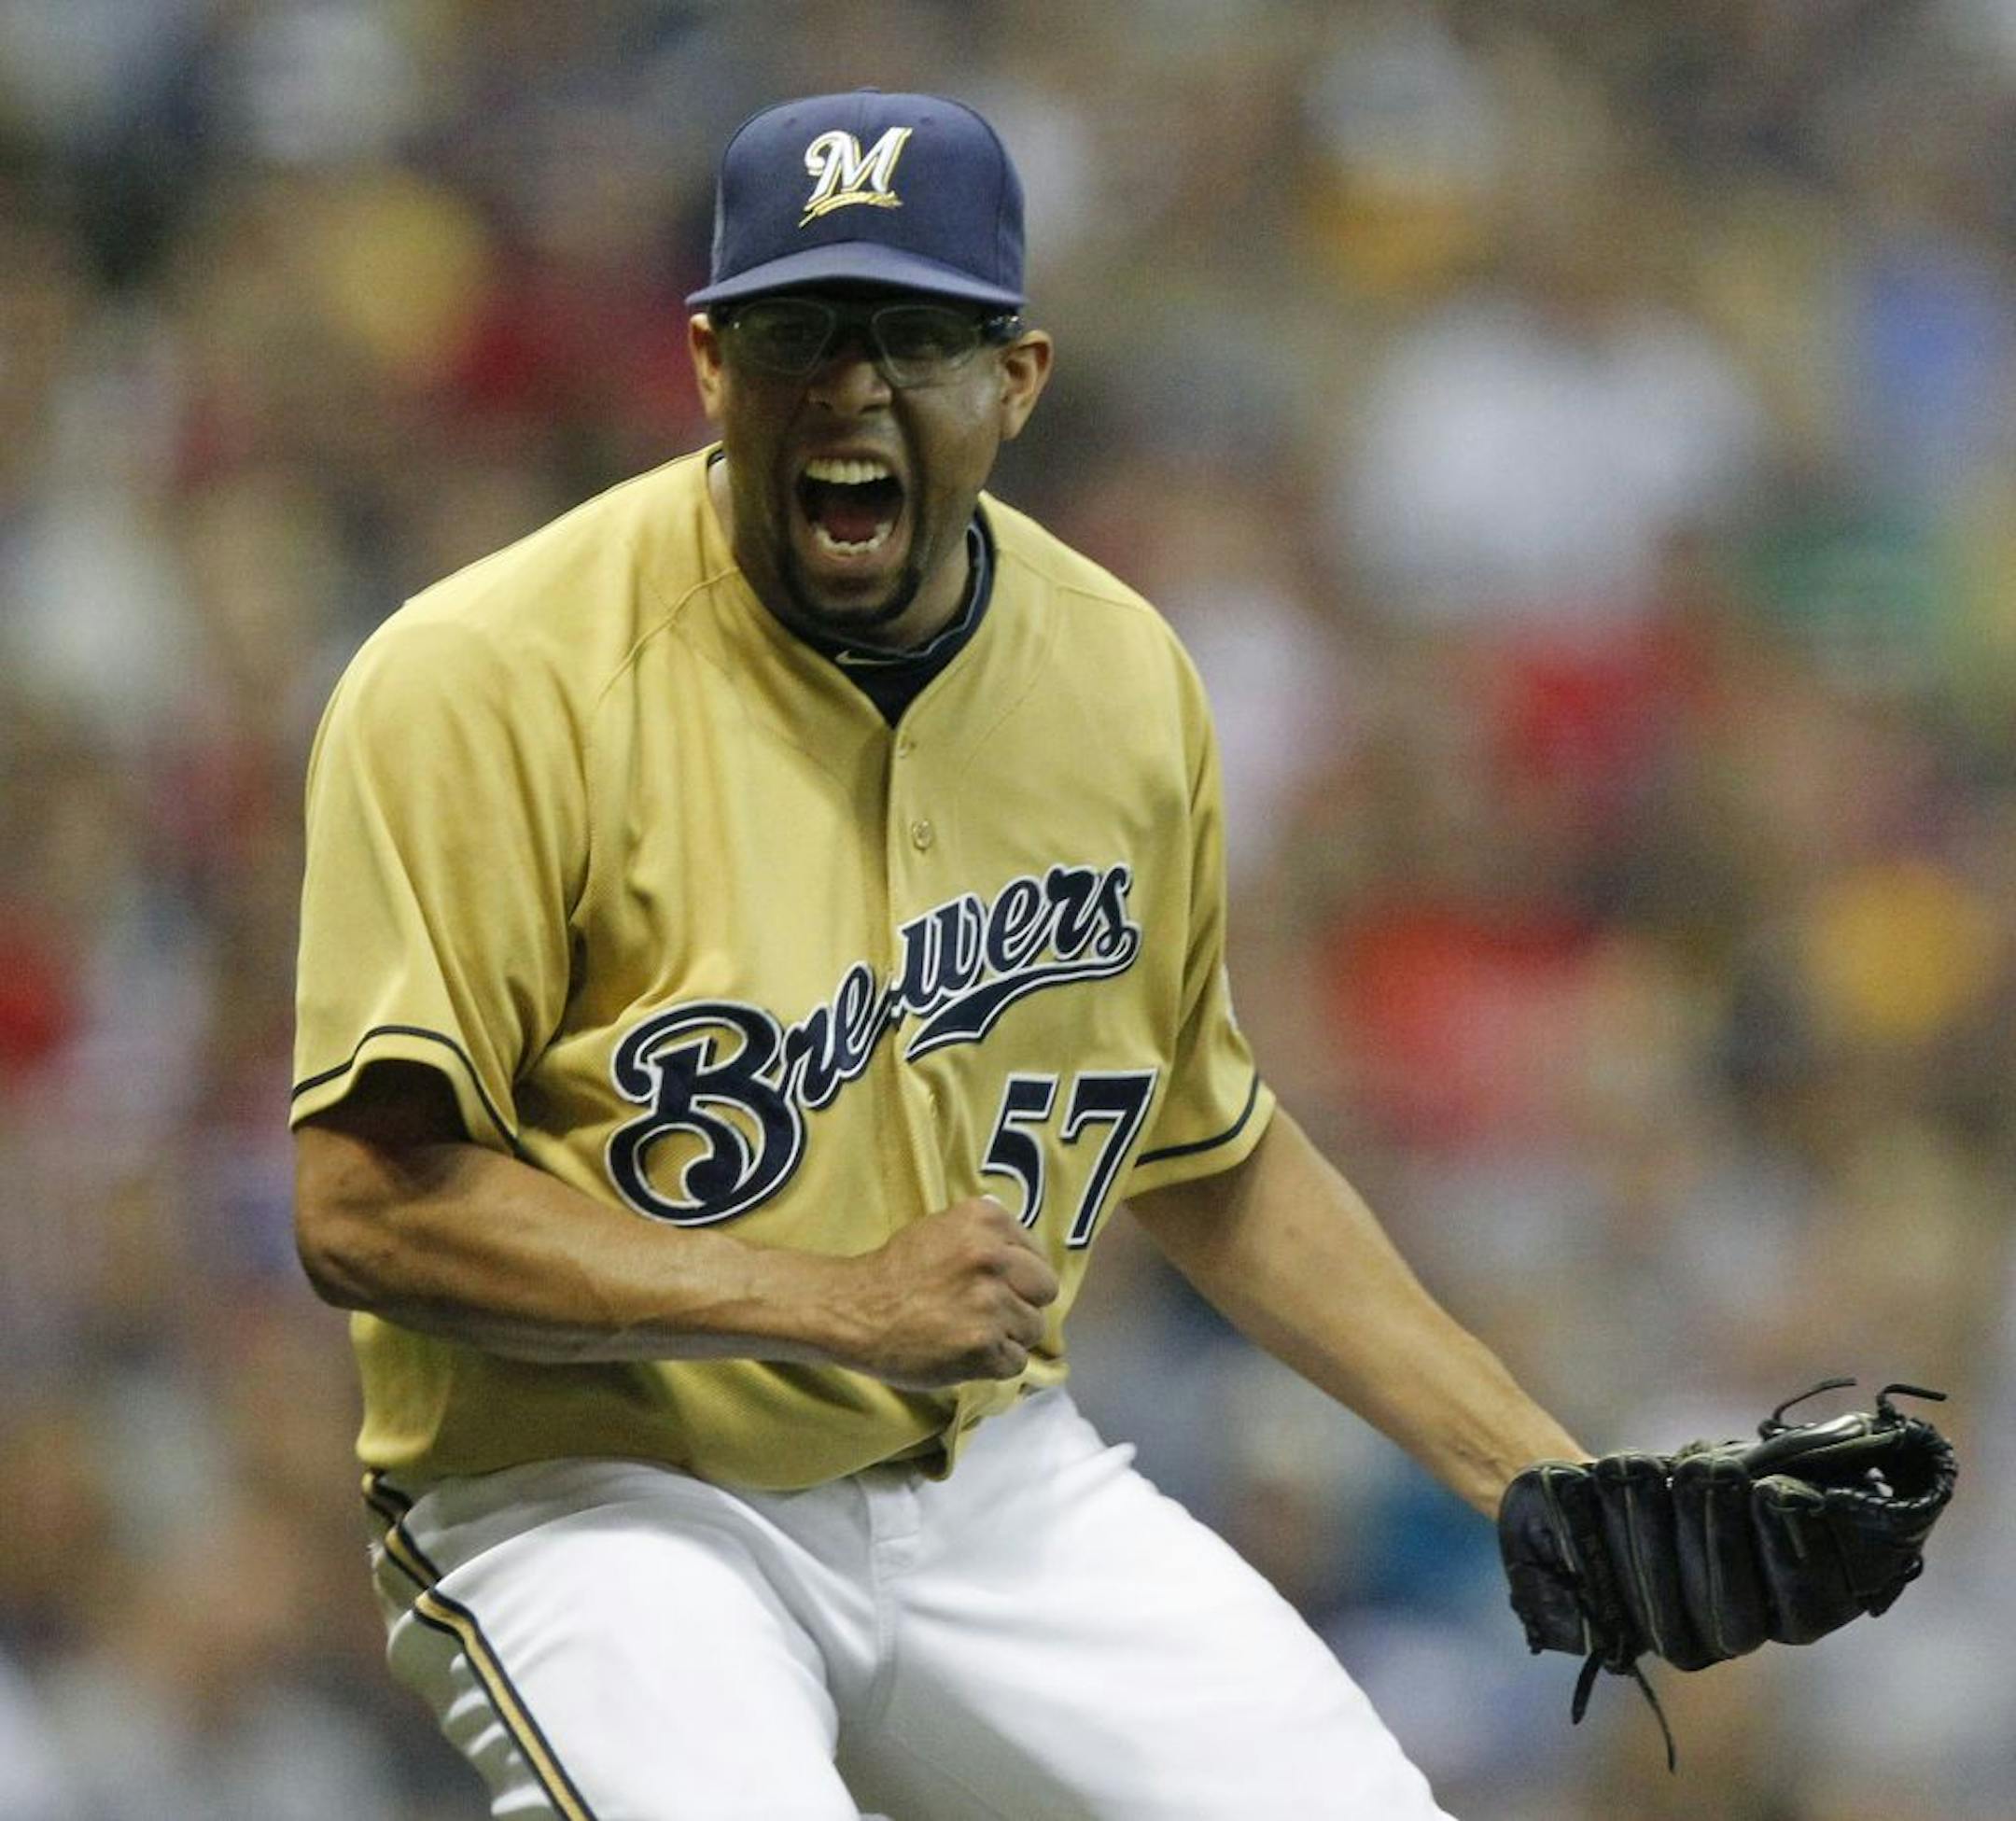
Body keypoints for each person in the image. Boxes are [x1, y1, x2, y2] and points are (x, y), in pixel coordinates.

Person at [291, 89, 1587, 1820]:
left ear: (1018, 381)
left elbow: (1204, 1152)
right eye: (797, 332)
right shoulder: (485, 678)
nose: (850, 389)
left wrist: (1536, 1476)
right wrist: (837, 1304)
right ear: (706, 366)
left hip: (989, 1486)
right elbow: (366, 1205)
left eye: (914, 335)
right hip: (596, 1490)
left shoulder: (1120, 682)